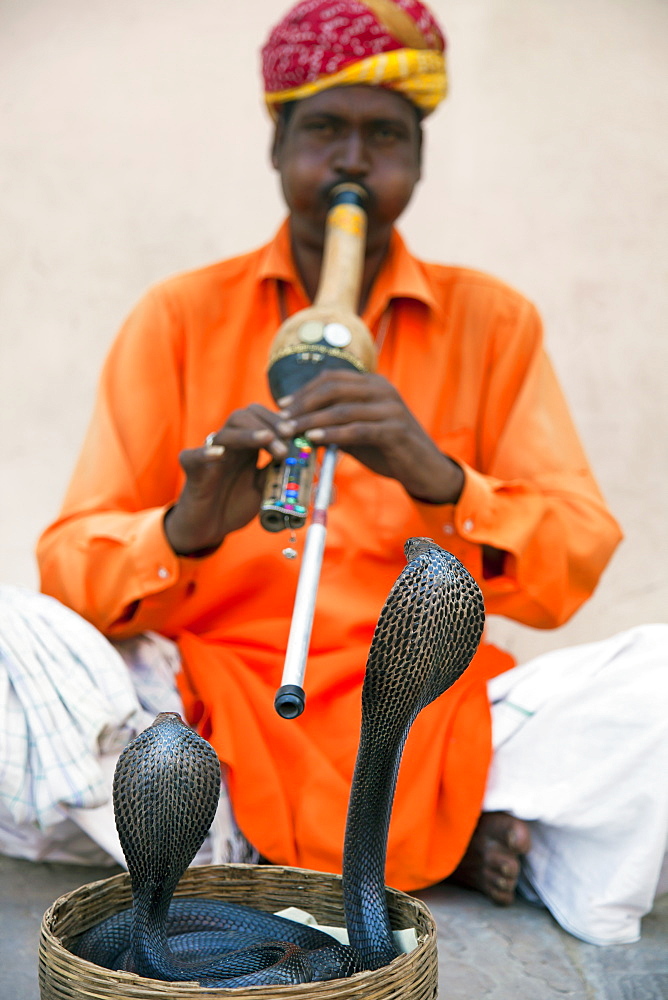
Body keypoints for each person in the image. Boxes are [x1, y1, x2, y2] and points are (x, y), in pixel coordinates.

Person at [4, 0, 666, 947]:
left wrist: (437, 474)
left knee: (657, 684)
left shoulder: (493, 322)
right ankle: (362, 843)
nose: (353, 161)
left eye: (385, 136)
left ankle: (237, 852)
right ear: (276, 148)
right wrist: (185, 528)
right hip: (211, 711)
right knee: (11, 647)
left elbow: (575, 558)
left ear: (419, 160)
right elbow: (67, 568)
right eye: (323, 130)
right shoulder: (180, 315)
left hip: (436, 721)